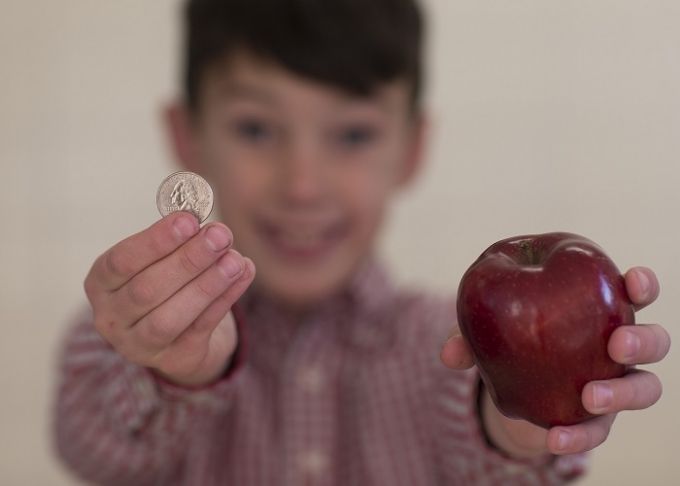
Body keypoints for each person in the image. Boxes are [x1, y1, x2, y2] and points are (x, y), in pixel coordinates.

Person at [53, 0, 671, 484]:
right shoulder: (124, 332)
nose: (302, 185)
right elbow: (95, 451)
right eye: (255, 128)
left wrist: (532, 411)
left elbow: (495, 459)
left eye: (351, 136)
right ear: (185, 135)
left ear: (412, 147)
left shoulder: (450, 344)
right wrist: (177, 370)